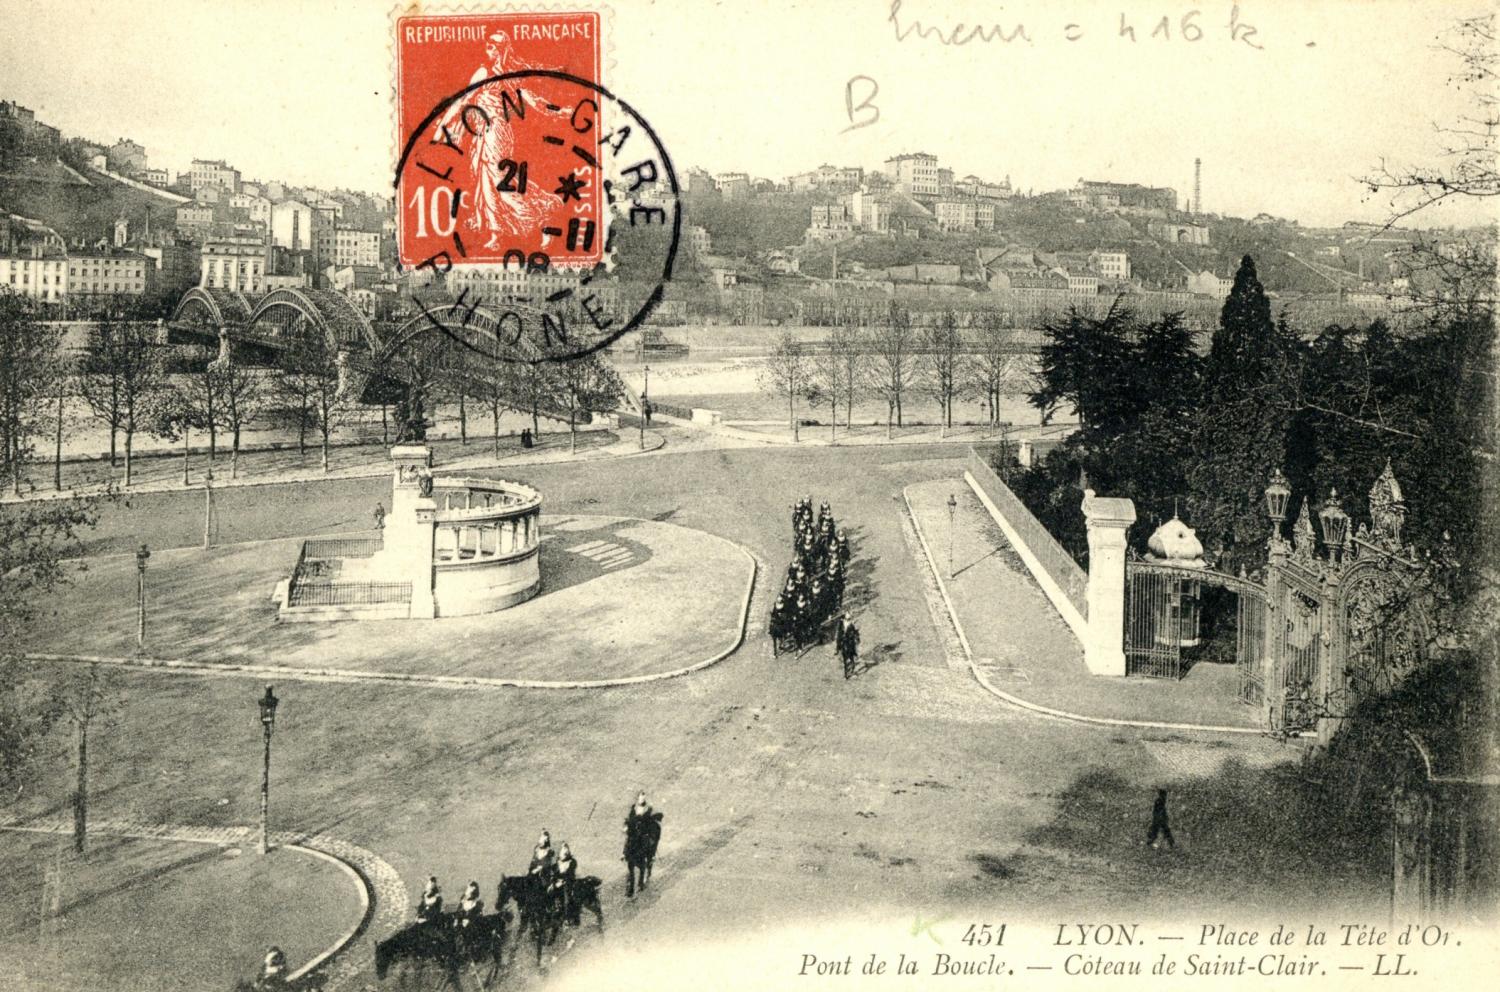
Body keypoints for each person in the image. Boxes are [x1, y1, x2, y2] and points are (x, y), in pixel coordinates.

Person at [623, 791, 653, 897]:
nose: (641, 800)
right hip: (634, 831)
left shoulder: (648, 808)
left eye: (643, 798)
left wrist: (642, 821)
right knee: (628, 839)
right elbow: (629, 818)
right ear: (638, 798)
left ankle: (641, 881)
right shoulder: (633, 807)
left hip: (643, 832)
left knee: (646, 843)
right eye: (640, 798)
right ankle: (624, 853)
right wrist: (626, 826)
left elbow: (648, 820)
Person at [554, 842, 580, 925]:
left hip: (568, 882)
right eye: (563, 850)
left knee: (567, 899)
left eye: (566, 850)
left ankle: (567, 918)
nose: (565, 852)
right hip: (558, 882)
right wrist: (555, 880)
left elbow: (570, 873)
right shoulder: (557, 863)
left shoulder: (572, 862)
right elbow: (554, 873)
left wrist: (563, 881)